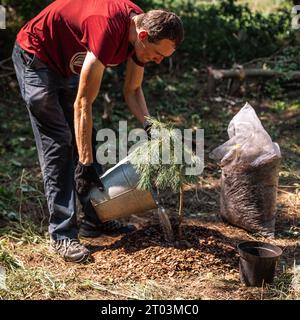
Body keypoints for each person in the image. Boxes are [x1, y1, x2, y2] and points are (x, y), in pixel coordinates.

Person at [12, 0, 184, 263]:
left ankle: (96, 219)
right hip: (37, 57)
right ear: (143, 36)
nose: (158, 61)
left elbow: (133, 89)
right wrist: (85, 162)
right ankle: (62, 235)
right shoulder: (107, 30)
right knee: (60, 144)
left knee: (86, 138)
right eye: (157, 54)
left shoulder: (139, 30)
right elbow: (83, 103)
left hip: (67, 61)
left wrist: (151, 126)